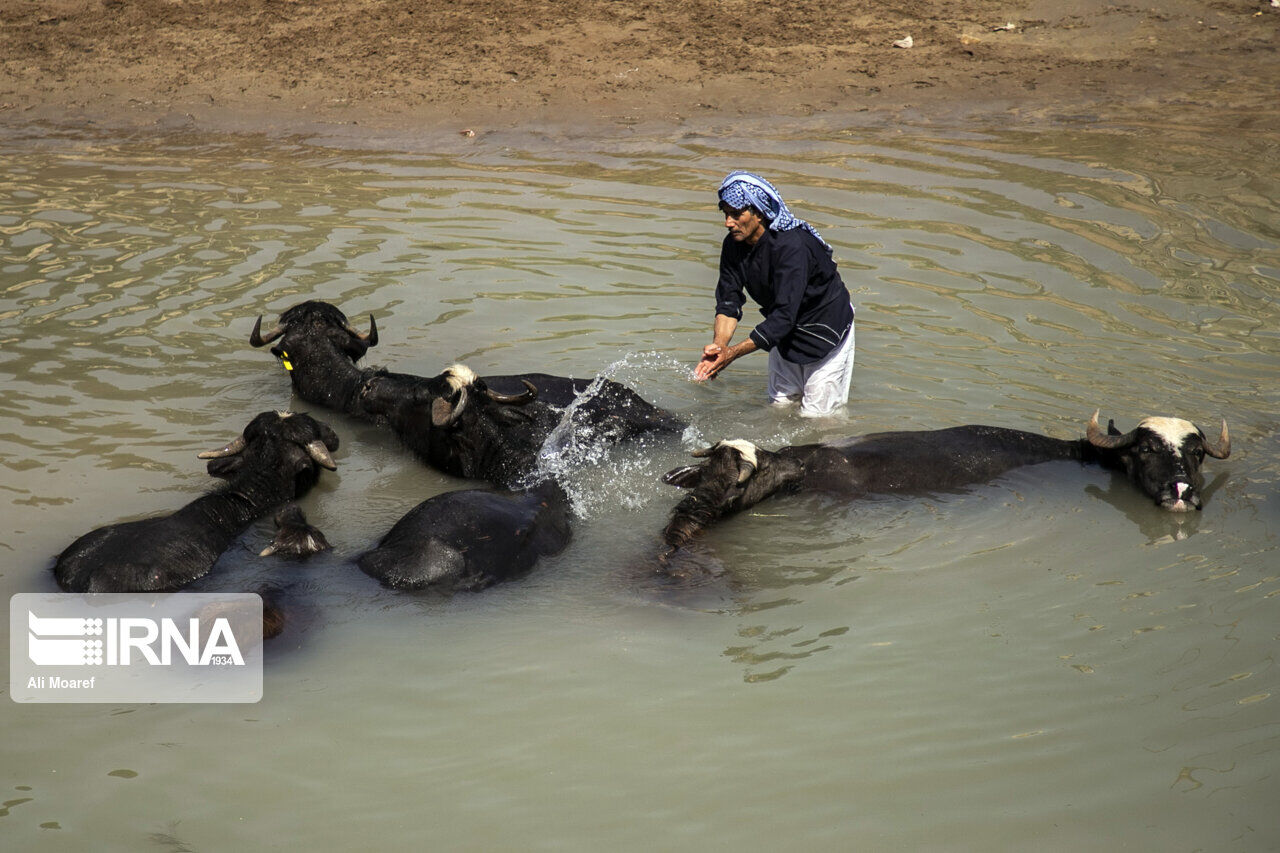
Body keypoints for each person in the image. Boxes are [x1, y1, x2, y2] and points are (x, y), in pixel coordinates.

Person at [693, 171, 856, 417]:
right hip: (783, 333)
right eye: (725, 214)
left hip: (825, 329)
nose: (728, 222)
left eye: (736, 214)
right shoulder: (733, 246)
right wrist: (719, 348)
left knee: (819, 420)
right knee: (779, 410)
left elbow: (784, 315)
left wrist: (733, 354)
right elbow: (729, 302)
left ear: (758, 213)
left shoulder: (792, 246)